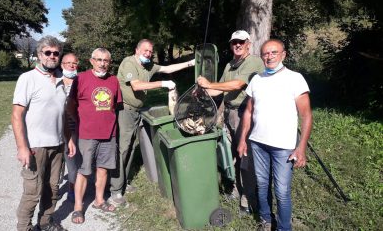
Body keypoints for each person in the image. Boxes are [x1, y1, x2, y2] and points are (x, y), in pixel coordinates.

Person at [237, 39, 313, 231]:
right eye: (265, 53)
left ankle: (283, 228)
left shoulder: (295, 78)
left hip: (284, 146)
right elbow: (248, 111)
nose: (269, 56)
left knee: (281, 191)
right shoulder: (257, 79)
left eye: (273, 52)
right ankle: (265, 220)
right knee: (262, 185)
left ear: (283, 55)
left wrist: (301, 147)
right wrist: (243, 139)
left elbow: (306, 115)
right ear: (261, 56)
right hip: (258, 143)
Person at [110, 39, 195, 205]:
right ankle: (115, 190)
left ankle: (124, 182)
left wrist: (190, 63)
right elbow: (137, 86)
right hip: (125, 110)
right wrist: (163, 83)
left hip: (137, 110)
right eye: (145, 50)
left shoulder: (148, 65)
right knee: (123, 148)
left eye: (150, 51)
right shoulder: (129, 63)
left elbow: (167, 68)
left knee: (132, 147)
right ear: (137, 50)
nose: (148, 53)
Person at [197, 30, 264, 214]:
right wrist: (202, 91)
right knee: (230, 154)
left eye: (241, 42)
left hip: (245, 114)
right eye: (234, 42)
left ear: (248, 43)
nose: (237, 45)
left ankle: (248, 198)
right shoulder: (229, 65)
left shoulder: (254, 62)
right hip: (227, 113)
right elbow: (218, 90)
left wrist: (209, 84)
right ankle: (235, 188)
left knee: (245, 156)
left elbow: (237, 85)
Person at [12, 36, 72, 231]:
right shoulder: (27, 78)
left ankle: (45, 223)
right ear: (39, 55)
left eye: (56, 53)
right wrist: (22, 147)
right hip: (35, 146)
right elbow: (16, 115)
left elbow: (62, 114)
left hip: (57, 144)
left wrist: (68, 139)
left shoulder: (63, 80)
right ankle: (24, 227)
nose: (52, 56)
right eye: (48, 52)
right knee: (32, 192)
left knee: (53, 189)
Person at [67, 48, 122, 224]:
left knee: (103, 168)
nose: (102, 63)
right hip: (86, 134)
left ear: (109, 63)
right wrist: (78, 120)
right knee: (83, 170)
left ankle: (99, 200)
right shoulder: (80, 79)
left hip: (109, 133)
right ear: (91, 61)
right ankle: (77, 207)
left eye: (105, 60)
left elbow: (116, 105)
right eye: (98, 60)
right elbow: (70, 105)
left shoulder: (114, 80)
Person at [60, 53, 80, 202]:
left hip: (74, 127)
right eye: (68, 63)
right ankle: (53, 188)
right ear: (62, 65)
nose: (72, 66)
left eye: (74, 63)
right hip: (55, 128)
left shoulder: (81, 81)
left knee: (73, 161)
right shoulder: (55, 81)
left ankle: (72, 189)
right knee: (56, 161)